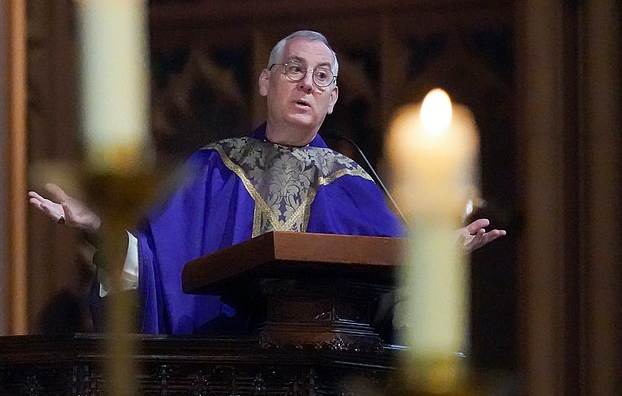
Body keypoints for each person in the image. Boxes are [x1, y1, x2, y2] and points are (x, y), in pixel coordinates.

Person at [29, 29, 506, 334]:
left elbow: (391, 301)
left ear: (334, 98)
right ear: (265, 81)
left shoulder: (356, 185)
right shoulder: (211, 169)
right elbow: (153, 269)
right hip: (225, 385)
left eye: (322, 77)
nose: (307, 85)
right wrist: (99, 226)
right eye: (294, 69)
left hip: (324, 390)